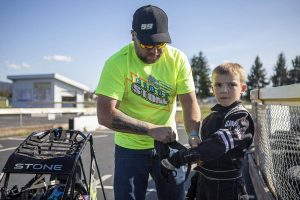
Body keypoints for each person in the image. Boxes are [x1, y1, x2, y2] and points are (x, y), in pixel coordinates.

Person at [95, 5, 201, 200]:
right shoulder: (117, 63)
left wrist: (194, 134)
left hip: (167, 146)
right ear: (133, 35)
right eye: (147, 45)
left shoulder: (177, 59)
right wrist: (151, 129)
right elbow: (104, 115)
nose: (154, 52)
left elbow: (189, 102)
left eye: (160, 45)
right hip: (130, 149)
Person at [162, 63, 255, 200]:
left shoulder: (241, 117)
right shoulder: (211, 118)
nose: (224, 90)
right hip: (205, 183)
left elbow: (217, 144)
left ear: (243, 88)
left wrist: (180, 158)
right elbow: (203, 158)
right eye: (218, 85)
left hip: (228, 188)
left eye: (231, 85)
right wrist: (195, 186)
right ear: (212, 89)